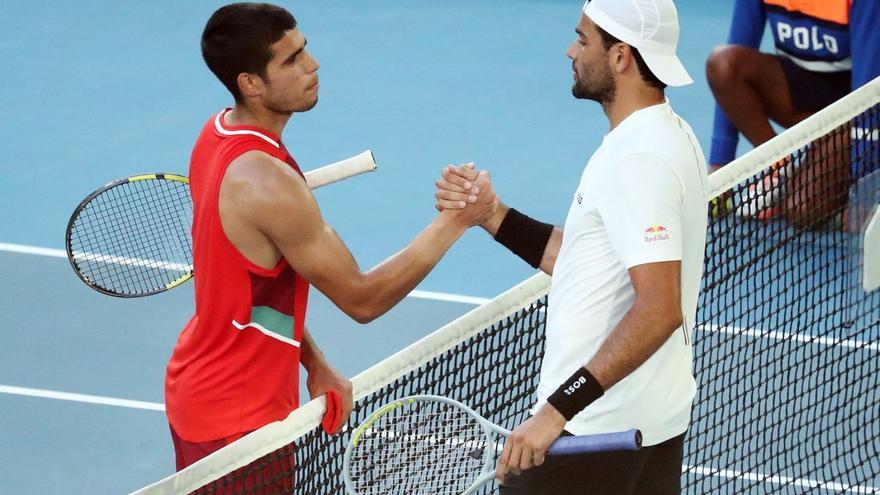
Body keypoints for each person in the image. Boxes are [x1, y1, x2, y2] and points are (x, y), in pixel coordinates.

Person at [164, 1, 497, 480]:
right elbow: (363, 298)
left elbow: (257, 297)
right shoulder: (267, 183)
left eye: (305, 49)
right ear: (251, 84)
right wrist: (456, 221)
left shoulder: (218, 133)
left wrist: (314, 363)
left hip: (204, 393)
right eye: (291, 59)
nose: (312, 65)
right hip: (238, 431)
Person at [436, 0, 707, 493]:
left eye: (583, 40)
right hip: (647, 427)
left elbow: (659, 307)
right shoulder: (667, 134)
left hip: (594, 435)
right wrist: (492, 216)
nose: (570, 50)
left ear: (621, 56)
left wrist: (557, 411)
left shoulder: (638, 159)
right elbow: (587, 265)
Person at [706, 0, 880, 227]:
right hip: (799, 93)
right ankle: (778, 166)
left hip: (852, 111)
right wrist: (721, 170)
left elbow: (866, 96)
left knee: (802, 210)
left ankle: (831, 176)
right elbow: (735, 56)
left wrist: (862, 191)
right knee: (723, 65)